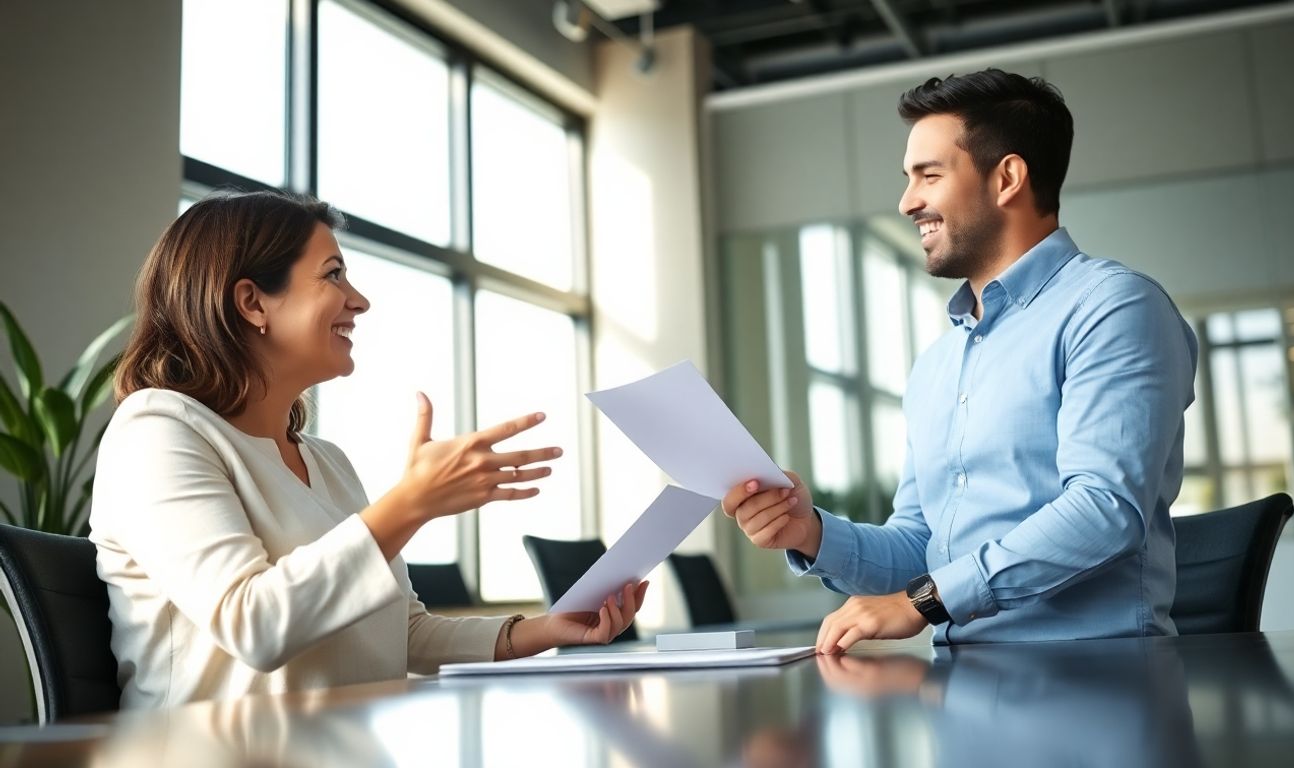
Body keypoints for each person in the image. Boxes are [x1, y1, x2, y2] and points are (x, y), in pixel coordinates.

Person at [90, 190, 648, 709]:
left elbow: (401, 634)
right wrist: (412, 503)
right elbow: (252, 624)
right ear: (252, 303)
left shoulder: (326, 461)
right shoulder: (157, 431)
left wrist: (544, 629)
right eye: (333, 275)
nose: (359, 301)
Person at [722, 69, 1197, 652]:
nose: (906, 201)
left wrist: (926, 601)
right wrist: (813, 533)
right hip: (964, 688)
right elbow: (924, 546)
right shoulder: (937, 365)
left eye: (929, 175)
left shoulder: (1113, 307)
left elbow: (1104, 510)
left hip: (1098, 678)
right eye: (908, 178)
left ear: (1007, 178)